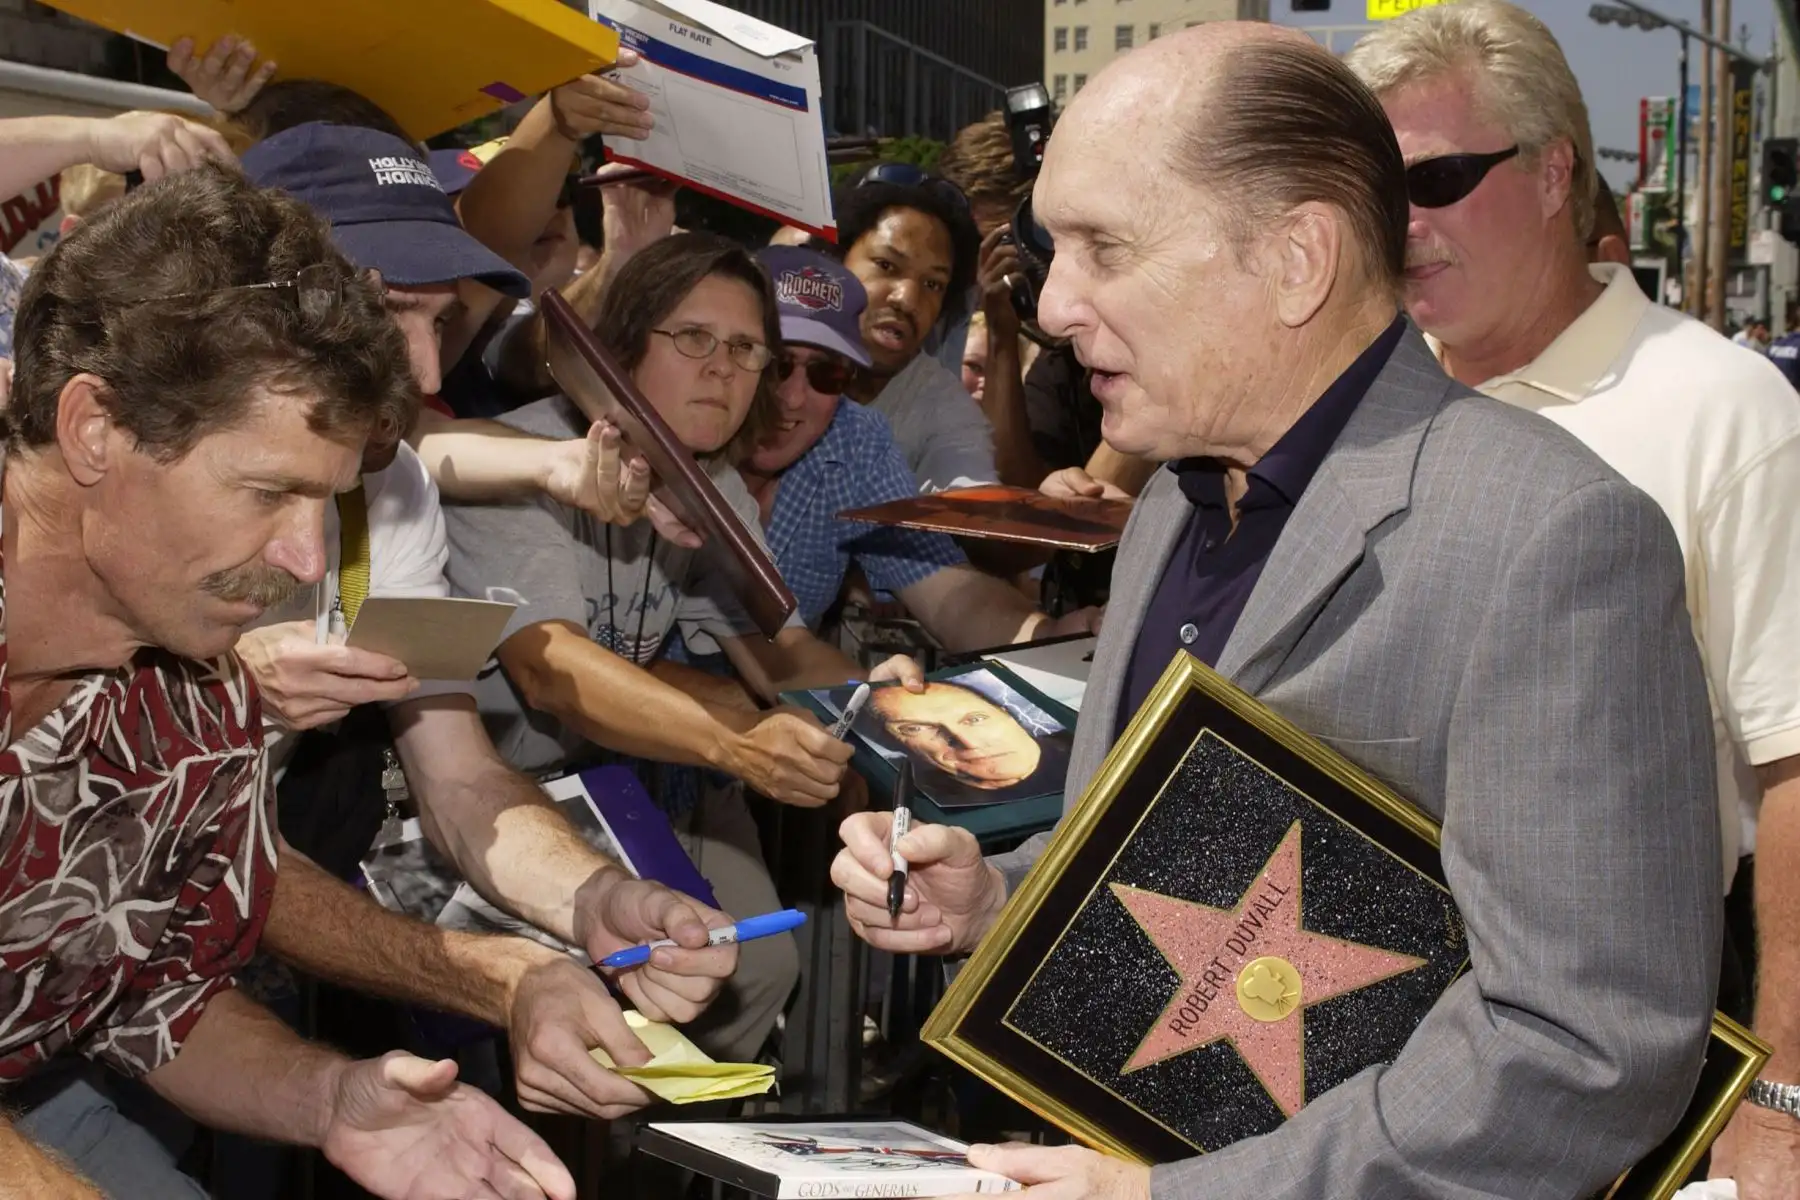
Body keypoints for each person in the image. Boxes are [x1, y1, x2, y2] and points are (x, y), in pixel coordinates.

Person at [831, 21, 1720, 1200]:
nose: (1056, 307)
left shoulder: (1550, 540)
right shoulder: (1166, 512)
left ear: (1299, 258)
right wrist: (1002, 900)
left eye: (1105, 248)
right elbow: (1197, 855)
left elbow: (1582, 1046)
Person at [0, 165, 577, 1200]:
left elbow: (154, 993)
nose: (308, 562)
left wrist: (332, 1100)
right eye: (266, 490)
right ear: (95, 428)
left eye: (327, 501)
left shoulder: (199, 696)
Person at [1345, 9, 1800, 1196]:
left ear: (1555, 172)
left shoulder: (1725, 412)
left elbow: (1797, 771)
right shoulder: (1363, 410)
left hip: (1617, 1069)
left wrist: (1783, 1101)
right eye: (1373, 187)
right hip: (1346, 1033)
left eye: (1437, 178)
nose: (1402, 224)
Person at [444, 232, 923, 1063]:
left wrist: (884, 704)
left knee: (764, 965)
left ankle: (635, 1151)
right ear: (621, 347)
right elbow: (549, 670)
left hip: (599, 785)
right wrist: (734, 745)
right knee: (573, 1015)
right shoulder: (522, 459)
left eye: (746, 349)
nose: (722, 369)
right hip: (476, 796)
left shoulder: (716, 485)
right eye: (693, 338)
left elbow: (779, 653)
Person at [740, 245, 1098, 647]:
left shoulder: (858, 441)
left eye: (826, 373)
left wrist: (1046, 634)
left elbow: (945, 591)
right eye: (775, 364)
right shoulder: (673, 440)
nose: (792, 396)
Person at [824, 177, 1003, 492]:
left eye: (932, 284)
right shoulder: (767, 358)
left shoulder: (941, 405)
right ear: (839, 259)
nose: (907, 299)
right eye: (887, 265)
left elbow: (970, 491)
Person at [862, 679, 1073, 806]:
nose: (967, 741)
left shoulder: (1089, 747)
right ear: (894, 743)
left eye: (975, 719)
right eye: (914, 729)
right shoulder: (916, 806)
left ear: (1006, 713)